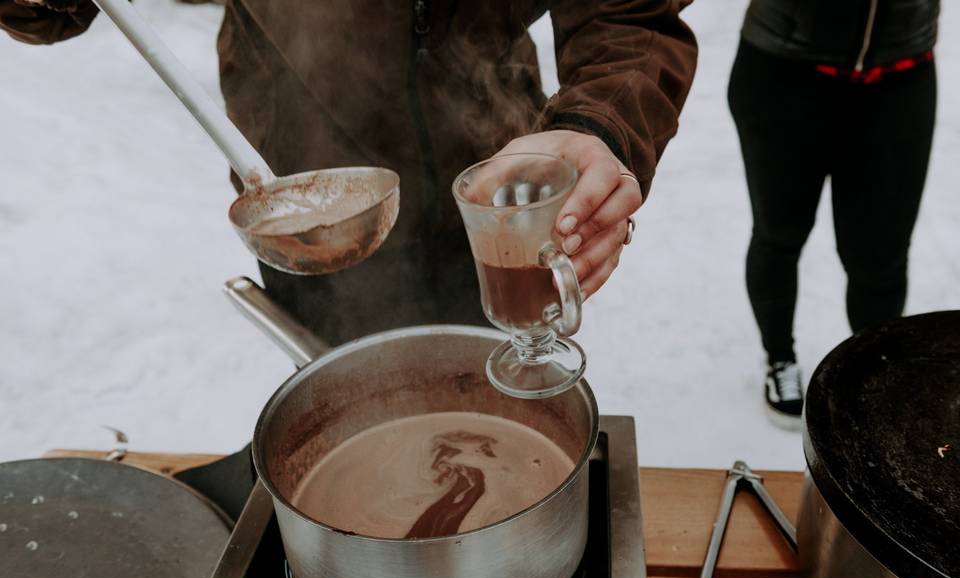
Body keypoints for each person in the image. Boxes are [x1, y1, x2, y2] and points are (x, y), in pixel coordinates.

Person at [2, 0, 697, 346]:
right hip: (309, 202)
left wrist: (598, 124)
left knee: (492, 390)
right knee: (346, 406)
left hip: (497, 178)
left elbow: (628, 11)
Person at [728, 0, 939, 429]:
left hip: (901, 73)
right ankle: (780, 357)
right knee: (778, 234)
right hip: (785, 67)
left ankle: (871, 378)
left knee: (881, 259)